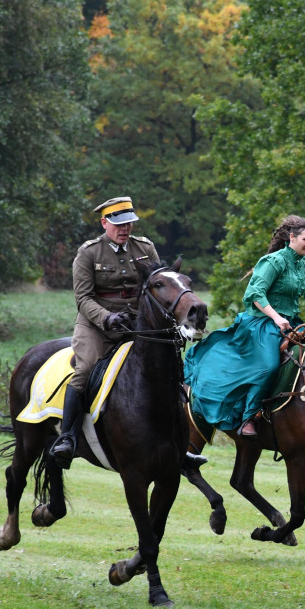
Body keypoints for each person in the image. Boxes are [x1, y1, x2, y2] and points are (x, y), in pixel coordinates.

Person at [49, 196, 205, 469]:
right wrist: (107, 318)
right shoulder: (89, 252)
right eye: (119, 224)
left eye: (129, 223)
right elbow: (83, 299)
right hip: (97, 324)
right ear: (104, 222)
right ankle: (67, 438)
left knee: (170, 368)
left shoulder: (145, 247)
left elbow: (160, 283)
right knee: (84, 370)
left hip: (138, 323)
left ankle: (179, 445)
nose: (125, 229)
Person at [184, 214, 305, 437]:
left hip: (291, 325)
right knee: (269, 366)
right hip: (261, 324)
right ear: (291, 238)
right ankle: (249, 417)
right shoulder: (273, 261)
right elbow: (255, 293)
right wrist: (275, 317)